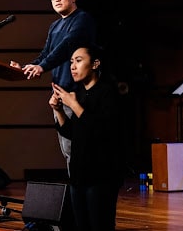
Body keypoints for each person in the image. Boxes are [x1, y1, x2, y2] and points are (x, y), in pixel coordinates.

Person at [10, 0, 96, 175]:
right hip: (59, 96)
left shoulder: (82, 19)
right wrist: (26, 68)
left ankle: (84, 198)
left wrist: (42, 66)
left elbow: (66, 47)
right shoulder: (54, 26)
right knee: (68, 151)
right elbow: (45, 55)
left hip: (77, 95)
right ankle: (77, 197)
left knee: (79, 150)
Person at [49, 43, 125, 231]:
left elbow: (103, 131)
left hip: (101, 175)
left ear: (95, 64)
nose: (73, 66)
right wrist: (59, 110)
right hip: (78, 174)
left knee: (100, 225)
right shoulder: (80, 94)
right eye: (71, 62)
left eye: (79, 60)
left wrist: (73, 105)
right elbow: (72, 133)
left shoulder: (108, 92)